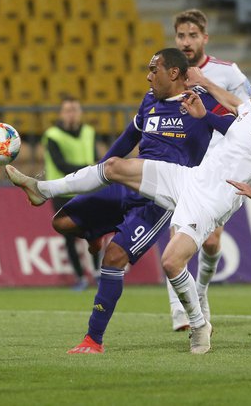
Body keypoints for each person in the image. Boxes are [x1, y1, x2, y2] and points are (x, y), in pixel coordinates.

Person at [6, 62, 251, 355]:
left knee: (171, 263)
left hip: (210, 203)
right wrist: (205, 111)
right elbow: (234, 114)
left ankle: (199, 325)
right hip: (187, 179)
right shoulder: (249, 111)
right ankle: (41, 189)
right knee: (114, 166)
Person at [29, 47, 234, 355]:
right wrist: (98, 177)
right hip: (128, 180)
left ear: (174, 73)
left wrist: (208, 117)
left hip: (160, 198)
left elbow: (238, 131)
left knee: (113, 258)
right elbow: (126, 142)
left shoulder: (202, 101)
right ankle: (94, 231)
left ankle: (92, 339)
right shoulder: (149, 101)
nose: (148, 76)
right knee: (62, 221)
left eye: (154, 70)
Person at [168, 9, 251, 331]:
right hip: (183, 161)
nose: (186, 42)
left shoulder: (226, 71)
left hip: (220, 163)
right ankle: (180, 309)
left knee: (212, 242)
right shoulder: (168, 70)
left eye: (192, 36)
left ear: (205, 37)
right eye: (181, 36)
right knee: (179, 231)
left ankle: (200, 292)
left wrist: (204, 84)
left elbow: (246, 113)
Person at [43, 96, 100, 290]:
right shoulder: (52, 135)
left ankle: (97, 273)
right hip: (62, 192)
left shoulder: (88, 132)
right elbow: (60, 164)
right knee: (69, 237)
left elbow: (96, 158)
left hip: (86, 190)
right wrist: (87, 169)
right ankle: (79, 277)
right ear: (61, 113)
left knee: (93, 232)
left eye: (75, 109)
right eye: (68, 110)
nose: (72, 114)